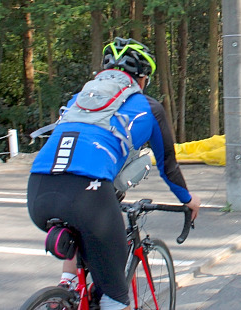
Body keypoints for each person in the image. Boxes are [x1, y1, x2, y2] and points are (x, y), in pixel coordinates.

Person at [27, 37, 201, 310]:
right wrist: (188, 200)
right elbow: (168, 166)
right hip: (88, 196)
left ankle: (66, 285)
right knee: (114, 297)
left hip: (38, 192)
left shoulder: (79, 100)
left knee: (78, 228)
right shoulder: (149, 107)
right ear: (141, 79)